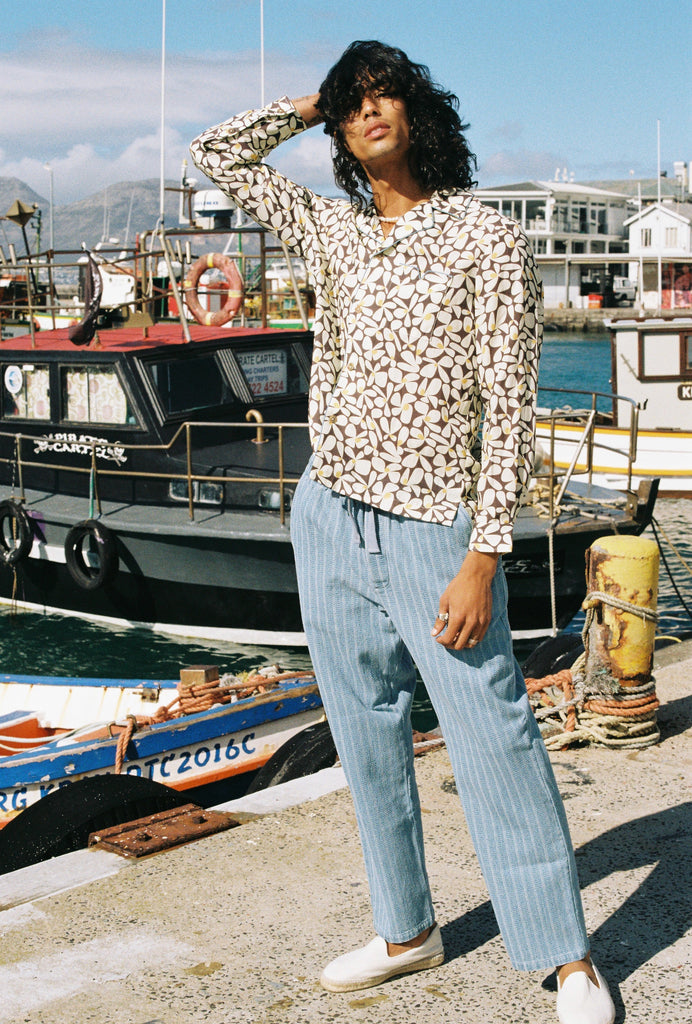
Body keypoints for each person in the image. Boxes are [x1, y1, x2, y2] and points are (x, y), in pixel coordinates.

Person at [190, 40, 616, 1024]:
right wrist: (313, 102)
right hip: (328, 512)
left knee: (493, 729)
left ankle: (564, 955)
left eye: (383, 93)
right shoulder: (330, 232)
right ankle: (404, 928)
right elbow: (216, 154)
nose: (368, 110)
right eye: (354, 103)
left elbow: (509, 411)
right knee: (363, 729)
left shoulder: (485, 238)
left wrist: (483, 552)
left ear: (419, 112)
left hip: (436, 525)